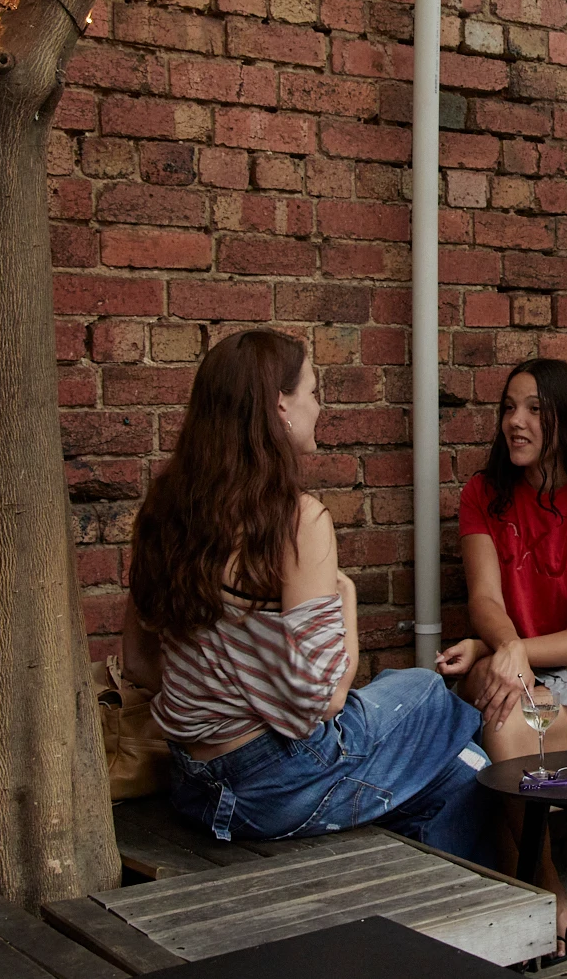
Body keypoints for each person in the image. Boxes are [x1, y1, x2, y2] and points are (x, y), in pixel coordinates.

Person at [121, 329, 491, 861]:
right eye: (313, 393)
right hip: (275, 788)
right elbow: (324, 702)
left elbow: (138, 662)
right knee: (430, 696)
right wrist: (348, 608)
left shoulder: (163, 510)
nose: (320, 407)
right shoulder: (297, 521)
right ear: (280, 407)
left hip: (194, 782)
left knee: (461, 772)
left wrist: (230, 691)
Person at [436, 358, 567, 966]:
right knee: (484, 696)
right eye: (507, 408)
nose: (515, 422)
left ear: (566, 420)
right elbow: (484, 600)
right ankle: (538, 900)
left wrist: (505, 651)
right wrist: (500, 648)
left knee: (498, 721)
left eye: (533, 409)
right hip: (524, 669)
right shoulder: (484, 495)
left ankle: (543, 900)